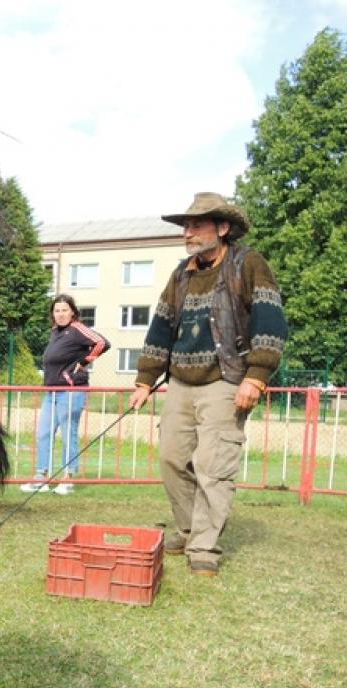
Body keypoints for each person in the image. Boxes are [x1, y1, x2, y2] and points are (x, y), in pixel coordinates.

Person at [128, 193, 288, 576]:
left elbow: (271, 321)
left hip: (226, 380)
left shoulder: (248, 264)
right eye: (186, 226)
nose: (188, 232)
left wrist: (257, 375)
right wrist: (146, 379)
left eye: (197, 225)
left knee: (213, 466)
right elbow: (162, 325)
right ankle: (188, 529)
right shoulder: (181, 273)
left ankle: (204, 547)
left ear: (223, 228)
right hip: (181, 382)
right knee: (171, 459)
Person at [22, 294, 110, 495]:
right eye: (57, 310)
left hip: (71, 390)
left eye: (64, 310)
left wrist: (85, 361)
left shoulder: (77, 329)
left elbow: (102, 343)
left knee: (68, 433)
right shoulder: (55, 332)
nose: (60, 314)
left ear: (72, 312)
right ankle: (41, 476)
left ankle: (67, 478)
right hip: (51, 391)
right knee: (44, 433)